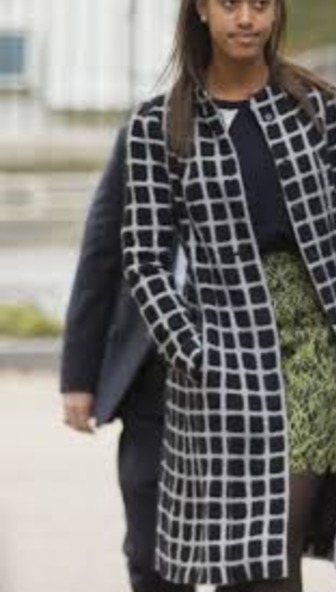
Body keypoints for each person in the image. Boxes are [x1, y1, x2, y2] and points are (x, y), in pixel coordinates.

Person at [121, 0, 336, 590]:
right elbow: (144, 262)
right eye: (231, 2)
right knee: (243, 556)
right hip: (218, 357)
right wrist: (194, 350)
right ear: (201, 8)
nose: (247, 18)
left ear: (277, 8)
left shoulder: (319, 111)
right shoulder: (159, 126)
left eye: (261, 2)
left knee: (268, 553)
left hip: (314, 350)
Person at [60, 127, 193, 592]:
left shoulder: (282, 124)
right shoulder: (149, 132)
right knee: (153, 549)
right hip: (154, 370)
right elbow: (101, 252)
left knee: (249, 564)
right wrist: (79, 376)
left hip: (249, 368)